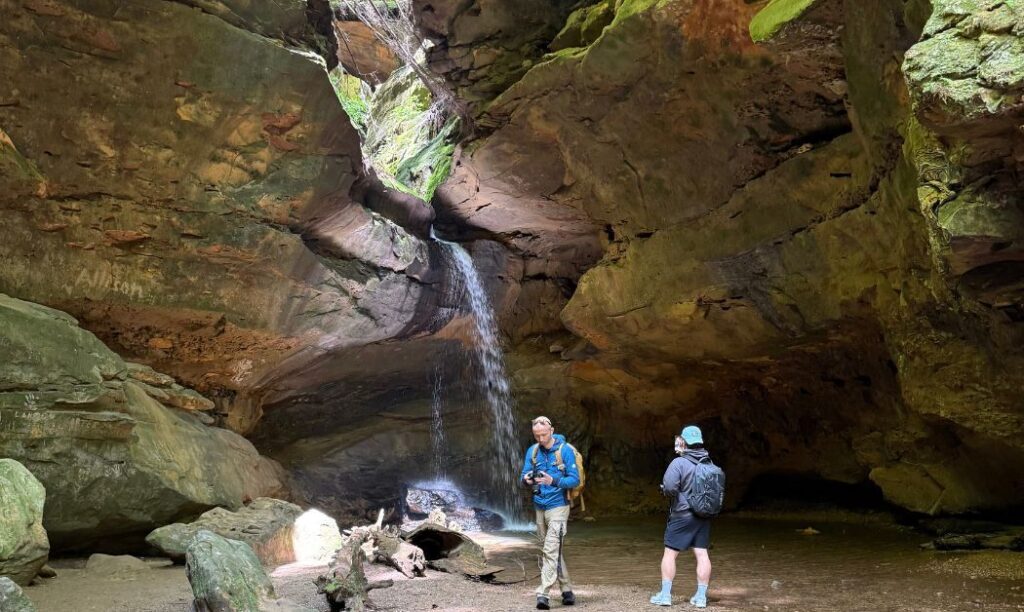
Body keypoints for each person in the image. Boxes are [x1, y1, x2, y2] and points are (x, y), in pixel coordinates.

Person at [520, 415, 580, 610]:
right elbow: (524, 474)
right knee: (551, 549)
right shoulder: (533, 450)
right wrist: (528, 479)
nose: (541, 439)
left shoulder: (566, 451)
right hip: (539, 505)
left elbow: (574, 480)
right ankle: (567, 590)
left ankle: (543, 593)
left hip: (558, 506)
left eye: (544, 435)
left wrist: (552, 481)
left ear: (552, 430)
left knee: (551, 548)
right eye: (537, 436)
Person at [651, 425, 713, 608]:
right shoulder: (709, 464)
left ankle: (665, 595)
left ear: (683, 443)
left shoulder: (679, 463)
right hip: (703, 515)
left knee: (670, 554)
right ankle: (701, 597)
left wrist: (669, 491)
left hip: (683, 514)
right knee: (702, 554)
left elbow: (670, 488)